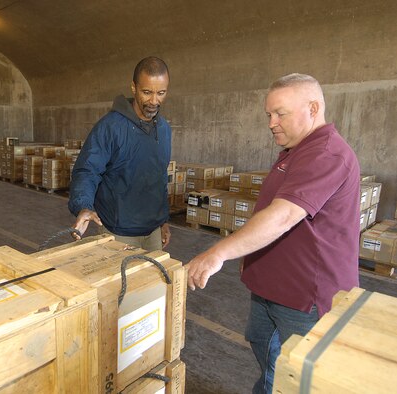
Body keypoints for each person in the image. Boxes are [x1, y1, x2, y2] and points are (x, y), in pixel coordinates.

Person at [186, 73, 360, 394]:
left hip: (303, 297)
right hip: (271, 289)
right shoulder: (296, 150)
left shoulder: (326, 154)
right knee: (269, 362)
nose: (271, 123)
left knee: (296, 378)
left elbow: (283, 216)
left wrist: (218, 252)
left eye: (280, 113)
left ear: (313, 108)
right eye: (269, 114)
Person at [68, 56, 172, 251]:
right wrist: (83, 206)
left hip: (153, 233)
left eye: (161, 93)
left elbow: (159, 178)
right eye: (147, 92)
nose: (154, 101)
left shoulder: (164, 129)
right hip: (118, 233)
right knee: (120, 282)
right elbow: (87, 170)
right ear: (134, 87)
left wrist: (163, 220)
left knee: (153, 282)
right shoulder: (110, 127)